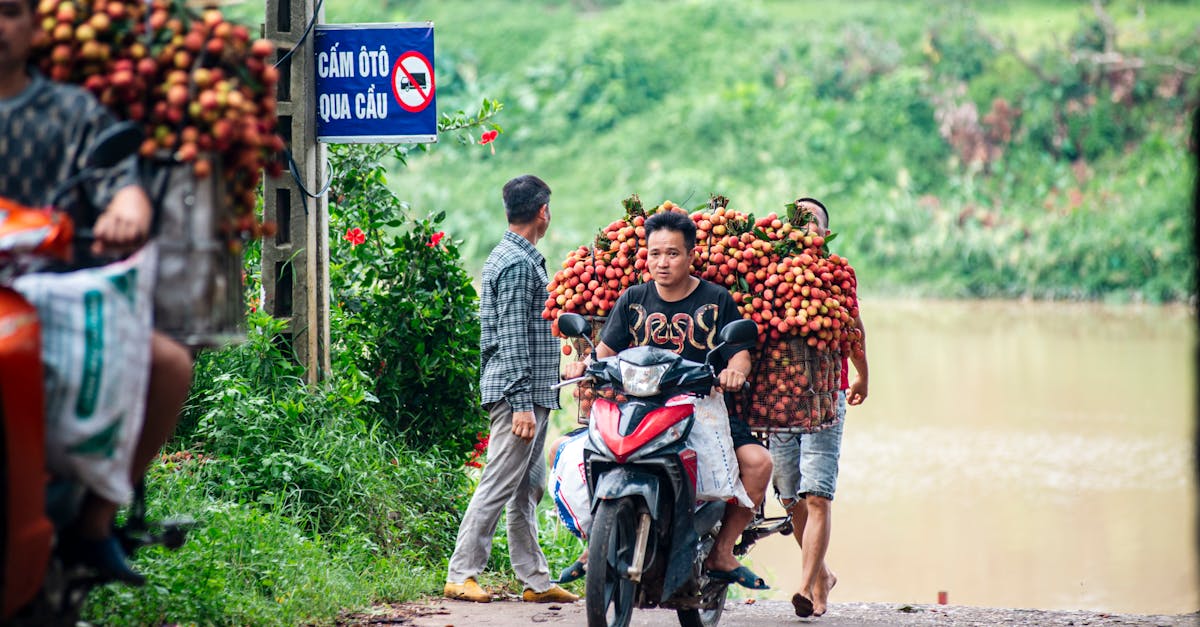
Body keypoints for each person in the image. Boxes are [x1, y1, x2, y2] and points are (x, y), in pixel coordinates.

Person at [0, 0, 191, 585]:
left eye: (8, 12)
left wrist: (126, 210)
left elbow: (120, 184)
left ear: (34, 27)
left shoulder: (72, 112)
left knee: (169, 365)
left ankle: (94, 524)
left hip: (52, 300)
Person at [563, 209, 774, 590]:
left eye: (673, 253)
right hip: (638, 405)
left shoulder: (716, 298)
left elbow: (739, 352)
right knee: (563, 453)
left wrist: (735, 371)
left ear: (691, 255)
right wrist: (584, 364)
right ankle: (593, 541)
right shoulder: (633, 298)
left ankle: (722, 552)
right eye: (655, 253)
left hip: (701, 408)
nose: (662, 262)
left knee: (758, 464)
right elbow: (606, 351)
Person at [444, 175, 579, 604]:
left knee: (527, 488)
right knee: (499, 483)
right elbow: (513, 339)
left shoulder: (515, 255)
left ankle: (535, 580)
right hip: (519, 397)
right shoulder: (519, 264)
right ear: (543, 212)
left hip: (532, 394)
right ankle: (461, 572)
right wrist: (522, 405)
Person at [769, 197, 869, 618]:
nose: (803, 228)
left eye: (811, 223)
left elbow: (853, 329)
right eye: (796, 221)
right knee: (790, 496)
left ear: (824, 235)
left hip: (827, 394)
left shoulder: (836, 276)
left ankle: (807, 586)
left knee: (817, 497)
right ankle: (822, 574)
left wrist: (864, 374)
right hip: (780, 399)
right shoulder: (767, 274)